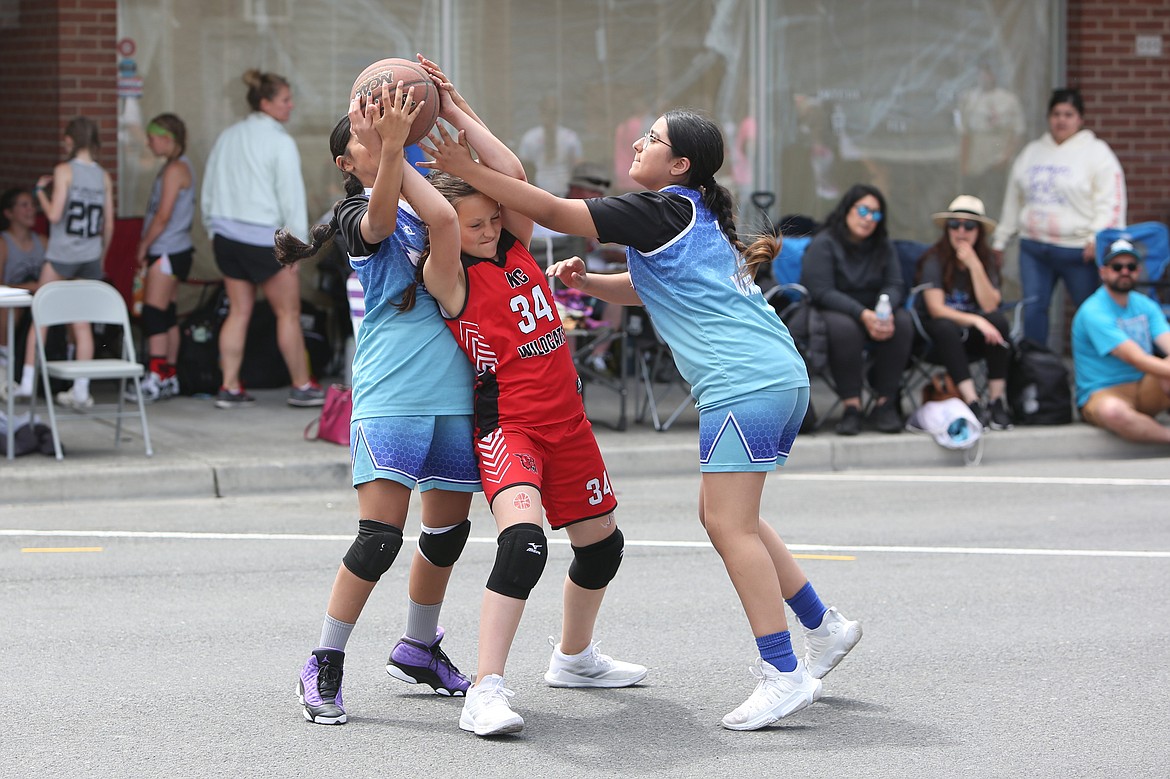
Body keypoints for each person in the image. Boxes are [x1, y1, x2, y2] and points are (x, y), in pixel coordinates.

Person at [424, 108, 861, 732]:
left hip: (744, 382)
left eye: (653, 139)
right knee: (731, 517)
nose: (640, 142)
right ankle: (824, 626)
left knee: (729, 527)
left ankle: (783, 672)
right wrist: (592, 283)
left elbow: (553, 210)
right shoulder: (689, 216)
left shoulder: (658, 208)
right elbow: (655, 286)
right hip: (772, 376)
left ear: (678, 165)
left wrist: (466, 167)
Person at [416, 59, 646, 738]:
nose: (489, 228)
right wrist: (407, 144)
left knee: (603, 547)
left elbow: (510, 173)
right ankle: (485, 689)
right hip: (509, 426)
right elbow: (440, 215)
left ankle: (574, 657)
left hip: (568, 423)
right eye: (475, 224)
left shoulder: (514, 246)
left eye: (492, 219)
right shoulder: (452, 275)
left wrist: (456, 106)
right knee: (524, 543)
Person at [274, 77, 480, 725]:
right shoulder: (353, 214)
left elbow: (495, 183)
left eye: (391, 132)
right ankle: (324, 660)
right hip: (393, 395)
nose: (385, 139)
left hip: (456, 392)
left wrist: (451, 111)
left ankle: (420, 645)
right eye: (366, 134)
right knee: (378, 540)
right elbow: (379, 220)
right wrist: (388, 149)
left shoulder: (434, 200)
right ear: (347, 160)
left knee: (447, 533)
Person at [201, 69, 324, 409]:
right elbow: (292, 200)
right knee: (287, 312)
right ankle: (301, 386)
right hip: (263, 240)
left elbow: (209, 189)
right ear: (266, 102)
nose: (292, 105)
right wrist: (297, 249)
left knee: (238, 311)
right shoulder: (280, 141)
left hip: (226, 236)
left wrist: (213, 227)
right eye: (285, 100)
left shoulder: (228, 135)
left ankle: (229, 388)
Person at [991, 88, 1127, 348]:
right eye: (1056, 114)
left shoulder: (1097, 153)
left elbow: (1111, 200)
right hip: (1034, 247)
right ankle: (1035, 371)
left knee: (1090, 313)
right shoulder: (1032, 152)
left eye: (1069, 114)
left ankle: (1094, 373)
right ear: (1048, 117)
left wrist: (1098, 237)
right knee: (1033, 310)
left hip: (1077, 251)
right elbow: (1014, 198)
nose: (1061, 120)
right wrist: (1001, 239)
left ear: (1080, 119)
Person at [13, 117, 115, 408]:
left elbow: (55, 215)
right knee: (81, 322)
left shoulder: (64, 171)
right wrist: (101, 256)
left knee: (41, 314)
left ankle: (27, 382)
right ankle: (81, 389)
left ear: (71, 140)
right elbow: (108, 225)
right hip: (90, 256)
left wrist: (39, 193)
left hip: (62, 254)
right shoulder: (103, 176)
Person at [800, 184, 914, 435]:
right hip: (834, 309)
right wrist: (863, 314)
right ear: (847, 209)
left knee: (903, 321)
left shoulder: (882, 245)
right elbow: (821, 291)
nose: (868, 218)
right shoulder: (825, 243)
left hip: (875, 310)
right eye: (863, 210)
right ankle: (852, 407)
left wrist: (884, 308)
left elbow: (895, 284)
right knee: (845, 329)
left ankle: (885, 404)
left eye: (875, 213)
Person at [915, 195, 1013, 430]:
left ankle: (996, 401)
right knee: (945, 326)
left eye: (969, 226)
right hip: (938, 341)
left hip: (973, 340)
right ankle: (973, 402)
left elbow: (990, 305)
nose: (961, 231)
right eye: (954, 225)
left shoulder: (986, 259)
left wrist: (975, 266)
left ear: (979, 231)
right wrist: (976, 320)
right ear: (947, 229)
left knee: (998, 322)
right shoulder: (934, 259)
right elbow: (936, 308)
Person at [124, 114, 195, 403]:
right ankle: (168, 376)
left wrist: (143, 246)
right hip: (175, 250)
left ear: (167, 138)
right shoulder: (174, 167)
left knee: (154, 313)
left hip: (166, 250)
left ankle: (155, 378)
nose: (148, 143)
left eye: (152, 138)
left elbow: (163, 215)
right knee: (166, 314)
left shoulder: (176, 168)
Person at [1071, 238, 1170, 444]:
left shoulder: (1146, 305)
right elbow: (1137, 359)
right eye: (1117, 267)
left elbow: (1166, 341)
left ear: (1137, 271)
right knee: (1113, 411)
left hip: (1144, 385)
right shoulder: (1093, 311)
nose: (1125, 271)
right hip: (1103, 391)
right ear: (1103, 271)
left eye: (1131, 266)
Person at [957, 59, 1025, 222]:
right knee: (971, 198)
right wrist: (964, 162)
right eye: (982, 73)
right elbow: (965, 132)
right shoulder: (969, 98)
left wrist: (1005, 157)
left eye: (989, 73)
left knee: (995, 198)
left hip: (998, 155)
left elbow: (1017, 131)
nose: (985, 77)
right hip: (976, 155)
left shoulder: (1009, 99)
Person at [0, 188, 47, 375]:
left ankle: (66, 360)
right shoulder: (3, 243)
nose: (31, 210)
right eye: (24, 205)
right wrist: (28, 288)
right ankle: (4, 363)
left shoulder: (42, 241)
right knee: (7, 309)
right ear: (9, 213)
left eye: (33, 205)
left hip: (40, 298)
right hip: (15, 300)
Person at [517, 93, 583, 197]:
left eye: (552, 112)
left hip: (565, 191)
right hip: (538, 191)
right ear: (541, 113)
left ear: (557, 114)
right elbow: (524, 168)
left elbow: (578, 166)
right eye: (546, 111)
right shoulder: (529, 138)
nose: (549, 116)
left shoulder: (570, 138)